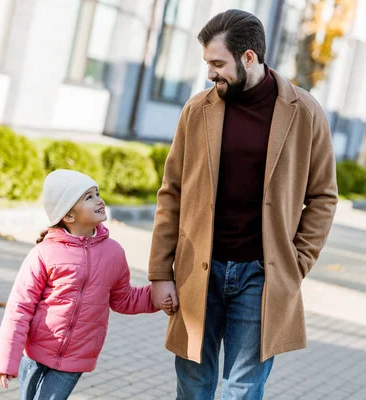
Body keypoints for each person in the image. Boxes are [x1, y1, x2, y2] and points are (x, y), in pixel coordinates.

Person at [148, 9, 338, 399]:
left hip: (261, 277)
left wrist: (295, 262)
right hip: (198, 270)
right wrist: (159, 272)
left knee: (243, 388)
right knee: (193, 382)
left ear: (248, 57)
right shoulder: (197, 111)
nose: (210, 74)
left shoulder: (304, 113)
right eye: (207, 63)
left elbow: (322, 196)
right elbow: (172, 192)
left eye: (218, 63)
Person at [0, 169, 173, 399]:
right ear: (68, 216)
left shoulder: (113, 253)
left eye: (97, 193)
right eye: (89, 197)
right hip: (36, 352)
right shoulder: (44, 253)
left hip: (76, 357)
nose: (100, 200)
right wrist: (6, 361)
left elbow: (123, 298)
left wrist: (157, 296)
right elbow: (19, 308)